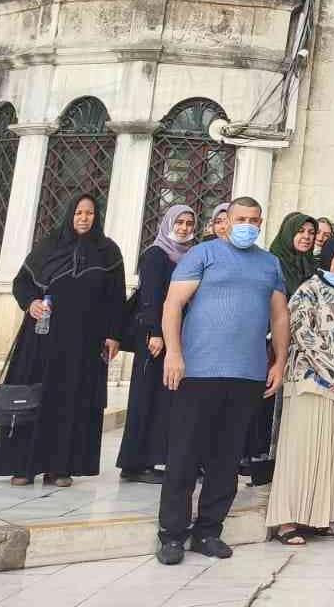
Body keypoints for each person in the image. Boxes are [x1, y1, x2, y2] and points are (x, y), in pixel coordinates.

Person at [155, 196, 287, 565]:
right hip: (197, 371)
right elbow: (172, 305)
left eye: (254, 219)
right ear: (226, 221)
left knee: (226, 459)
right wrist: (175, 352)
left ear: (261, 224)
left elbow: (279, 317)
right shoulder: (202, 254)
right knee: (183, 455)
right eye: (241, 218)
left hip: (246, 374)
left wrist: (279, 360)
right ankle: (171, 535)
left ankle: (208, 531)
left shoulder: (270, 264)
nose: (248, 224)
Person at [0, 194, 126, 488]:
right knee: (33, 396)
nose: (84, 218)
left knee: (71, 400)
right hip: (41, 338)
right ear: (69, 215)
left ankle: (60, 467)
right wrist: (31, 303)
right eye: (78, 212)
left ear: (97, 217)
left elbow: (116, 298)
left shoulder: (108, 252)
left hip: (84, 343)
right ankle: (22, 466)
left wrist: (114, 334)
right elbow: (22, 283)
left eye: (89, 213)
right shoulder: (48, 245)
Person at [266, 237, 334, 545]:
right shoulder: (308, 290)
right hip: (310, 382)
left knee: (330, 453)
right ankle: (286, 521)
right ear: (325, 258)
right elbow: (301, 332)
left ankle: (317, 517)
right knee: (301, 451)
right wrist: (332, 371)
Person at [118, 204, 196, 484]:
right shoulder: (155, 255)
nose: (184, 228)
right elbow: (149, 296)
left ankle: (153, 458)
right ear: (168, 224)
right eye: (179, 223)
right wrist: (155, 332)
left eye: (189, 223)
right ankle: (136, 462)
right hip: (155, 336)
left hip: (177, 335)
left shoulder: (190, 256)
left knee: (165, 398)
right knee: (146, 395)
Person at [244, 212, 318, 487]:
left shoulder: (310, 267)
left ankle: (284, 465)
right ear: (289, 232)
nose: (306, 237)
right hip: (271, 343)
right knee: (266, 404)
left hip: (302, 348)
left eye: (311, 233)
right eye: (301, 232)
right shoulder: (272, 262)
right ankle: (260, 465)